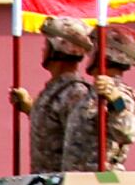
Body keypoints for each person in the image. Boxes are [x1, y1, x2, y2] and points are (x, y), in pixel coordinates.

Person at [22, 17, 116, 172]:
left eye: (47, 45)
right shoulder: (56, 89)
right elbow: (53, 128)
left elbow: (78, 139)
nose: (43, 50)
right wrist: (30, 109)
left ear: (58, 50)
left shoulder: (75, 93)